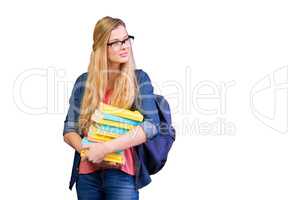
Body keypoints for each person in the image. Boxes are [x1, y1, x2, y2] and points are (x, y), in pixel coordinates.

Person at [63, 16, 161, 200]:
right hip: (87, 175)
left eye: (126, 39)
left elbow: (151, 126)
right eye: (115, 42)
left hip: (122, 174)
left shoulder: (139, 79)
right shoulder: (83, 82)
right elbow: (69, 129)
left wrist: (106, 148)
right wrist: (87, 150)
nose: (124, 46)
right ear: (101, 47)